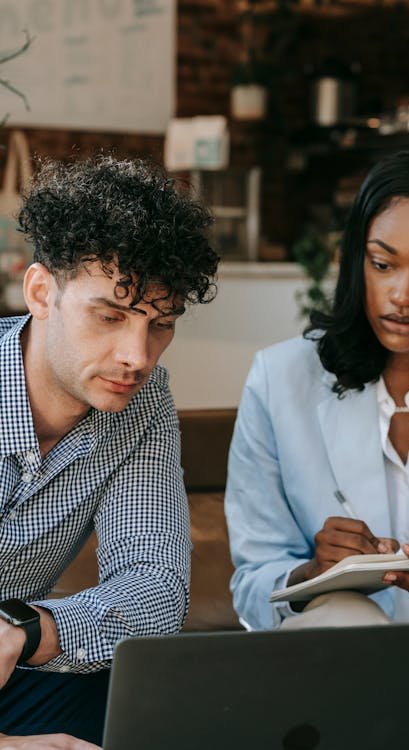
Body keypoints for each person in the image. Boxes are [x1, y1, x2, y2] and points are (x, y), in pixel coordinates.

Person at [225, 149, 409, 632]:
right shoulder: (279, 380)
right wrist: (311, 574)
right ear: (356, 258)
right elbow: (252, 582)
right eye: (383, 264)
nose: (403, 295)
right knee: (342, 620)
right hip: (343, 658)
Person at [0, 154, 219, 748]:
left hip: (12, 670)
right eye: (110, 316)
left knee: (166, 704)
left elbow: (153, 590)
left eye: (161, 323)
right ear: (42, 292)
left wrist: (23, 626)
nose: (138, 356)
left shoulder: (142, 405)